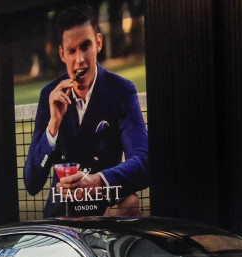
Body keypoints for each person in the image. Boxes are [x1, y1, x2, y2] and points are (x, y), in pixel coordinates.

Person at [23, 4, 148, 217]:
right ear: (62, 54)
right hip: (61, 215)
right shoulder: (49, 95)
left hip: (104, 210)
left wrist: (97, 182)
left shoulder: (121, 91)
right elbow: (31, 183)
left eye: (85, 46)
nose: (79, 59)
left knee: (130, 202)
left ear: (98, 43)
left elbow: (144, 162)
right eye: (72, 51)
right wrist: (53, 126)